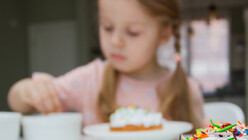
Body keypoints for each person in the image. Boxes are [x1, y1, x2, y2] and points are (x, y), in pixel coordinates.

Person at [7, 0, 205, 129]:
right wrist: (27, 91)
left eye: (133, 32)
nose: (116, 41)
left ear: (164, 33)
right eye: (107, 27)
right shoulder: (90, 79)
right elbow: (16, 101)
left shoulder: (187, 90)